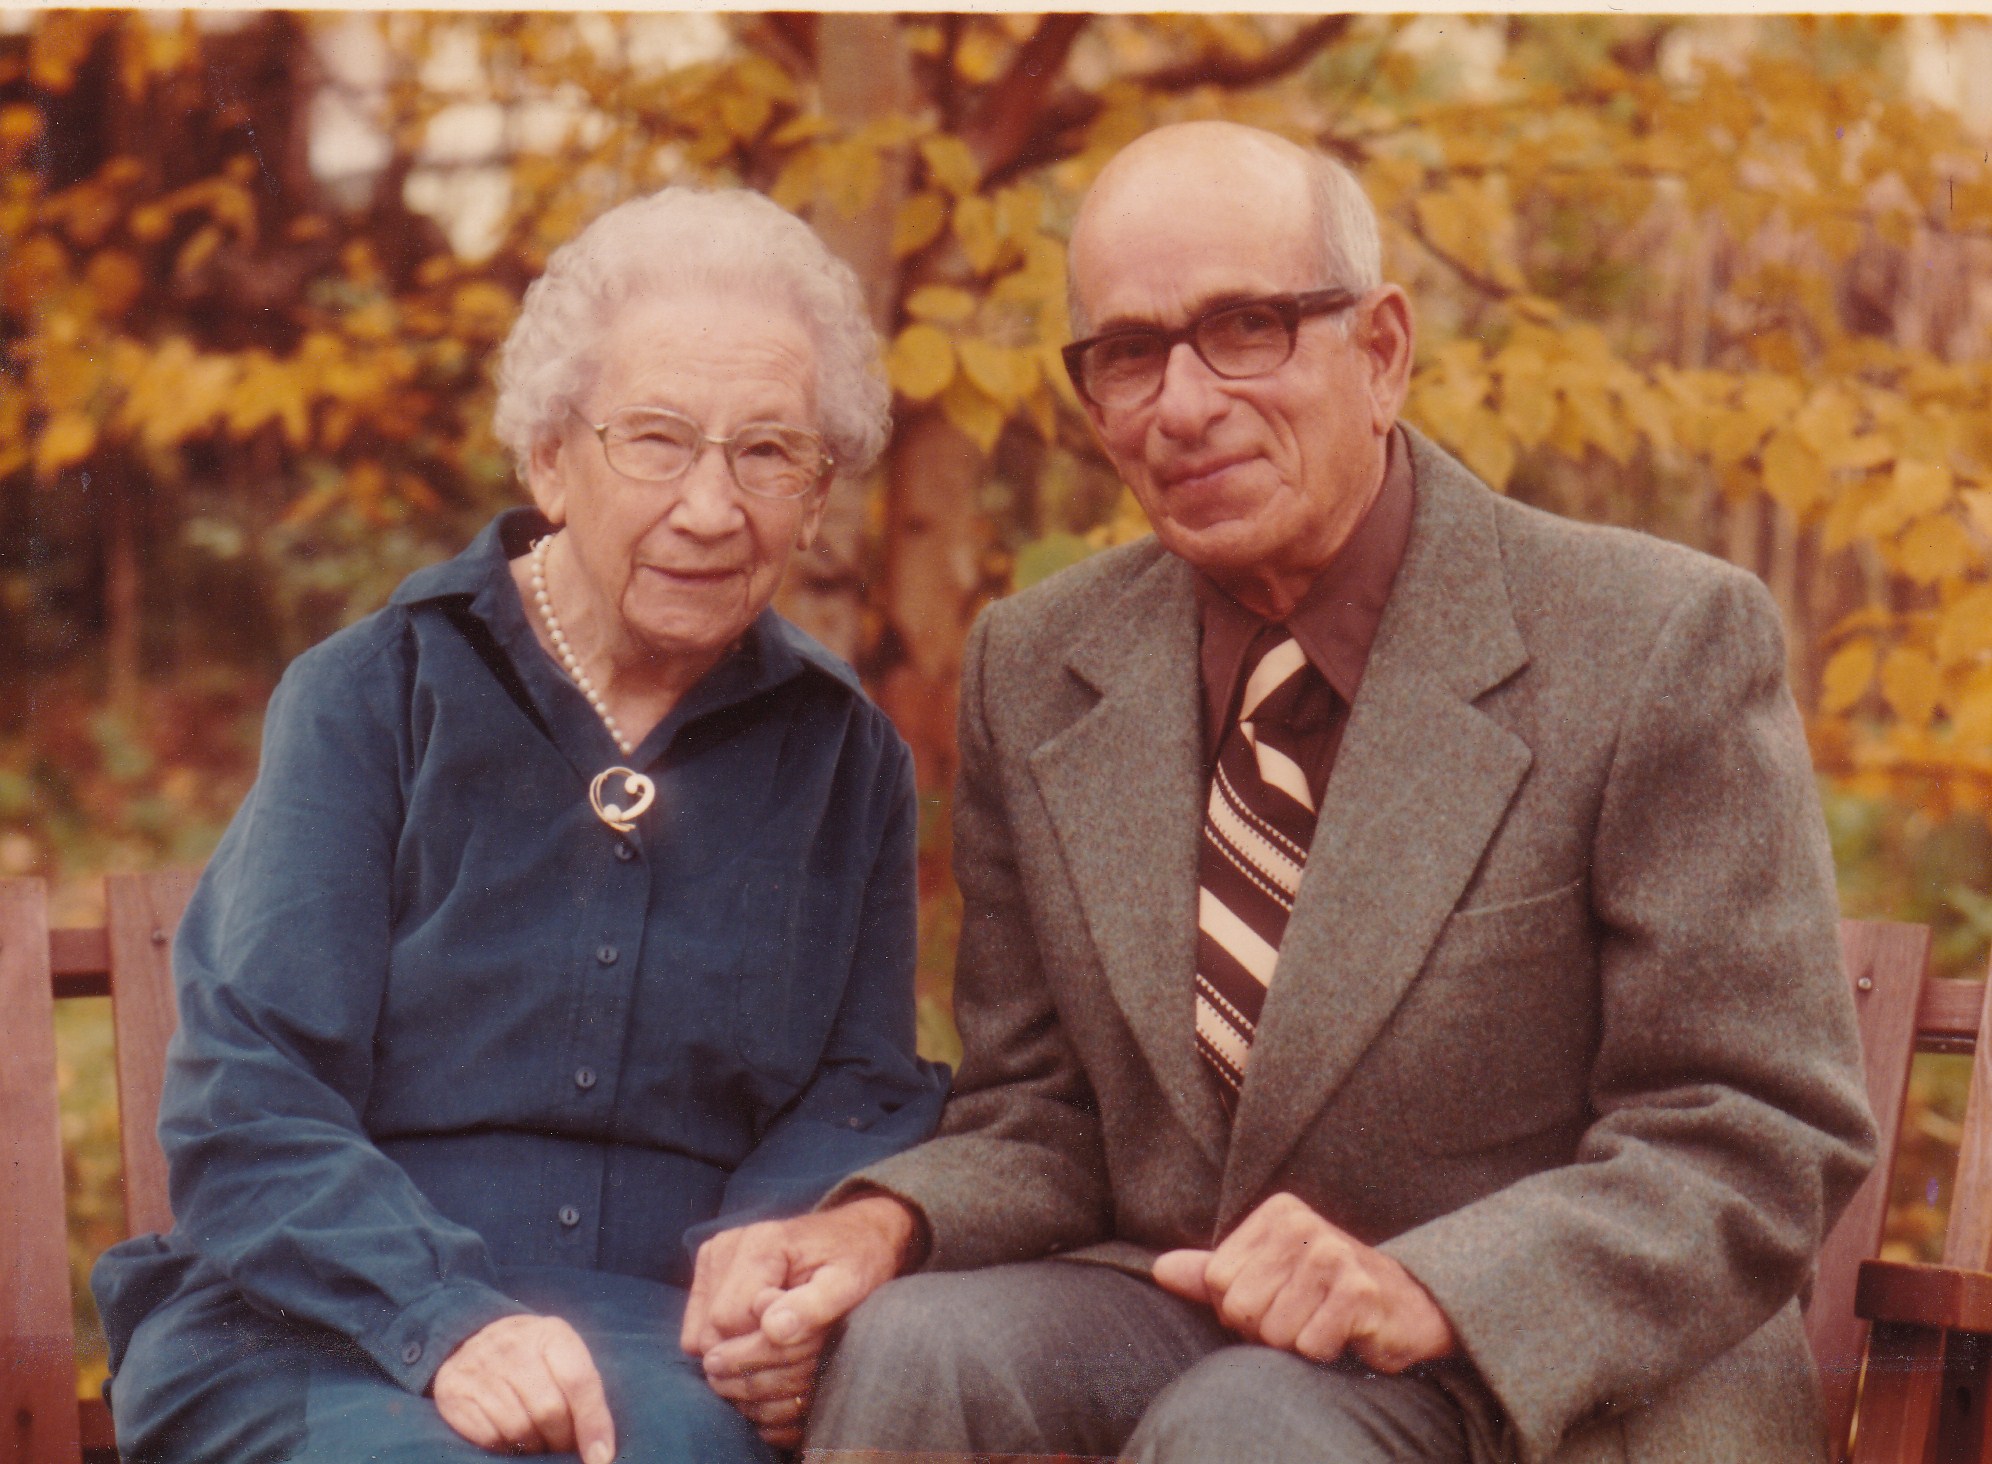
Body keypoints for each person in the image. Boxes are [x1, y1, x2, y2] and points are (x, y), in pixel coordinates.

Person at [682, 122, 1877, 1464]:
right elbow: (1041, 1117)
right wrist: (878, 1225)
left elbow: (1755, 1133)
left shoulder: (1652, 639)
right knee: (912, 1346)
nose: (1184, 406)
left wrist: (1430, 1287)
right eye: (1129, 353)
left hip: (1559, 1362)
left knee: (1249, 1426)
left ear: (1382, 351)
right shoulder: (1039, 667)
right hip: (1187, 1313)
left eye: (1245, 328)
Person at [89, 185, 948, 1464]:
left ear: (818, 495)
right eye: (656, 440)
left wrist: (773, 1279)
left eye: (769, 453)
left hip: (663, 1342)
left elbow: (860, 1089)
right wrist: (449, 1322)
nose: (711, 508)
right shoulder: (372, 697)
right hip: (323, 1318)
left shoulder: (843, 756)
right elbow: (251, 1100)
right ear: (550, 458)